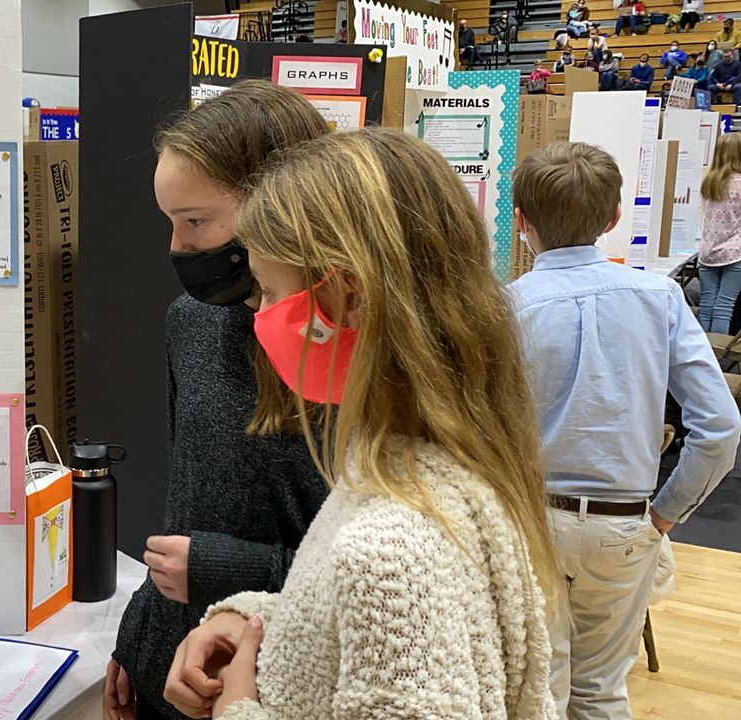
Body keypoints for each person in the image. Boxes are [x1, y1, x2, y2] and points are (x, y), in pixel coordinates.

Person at [162, 127, 556, 720]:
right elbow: (348, 628)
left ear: (349, 297)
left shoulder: (391, 546)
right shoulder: (417, 464)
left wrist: (240, 709)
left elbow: (385, 599)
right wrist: (246, 618)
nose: (261, 314)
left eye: (269, 291)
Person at [105, 80, 330, 720]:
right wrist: (138, 638)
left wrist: (221, 568)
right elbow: (186, 502)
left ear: (282, 205)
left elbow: (371, 572)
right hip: (167, 672)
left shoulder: (346, 352)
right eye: (171, 222)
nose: (178, 248)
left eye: (195, 221)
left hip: (273, 682)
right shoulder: (193, 322)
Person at [510, 142, 741, 720]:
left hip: (530, 521)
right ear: (614, 219)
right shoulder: (660, 297)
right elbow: (719, 427)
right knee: (601, 692)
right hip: (623, 523)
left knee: (538, 690)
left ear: (521, 222)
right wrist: (664, 515)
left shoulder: (505, 308)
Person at [698, 133, 741, 334]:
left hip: (707, 252)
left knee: (706, 306)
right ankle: (715, 359)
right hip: (736, 253)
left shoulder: (708, 182)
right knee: (724, 307)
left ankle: (699, 355)